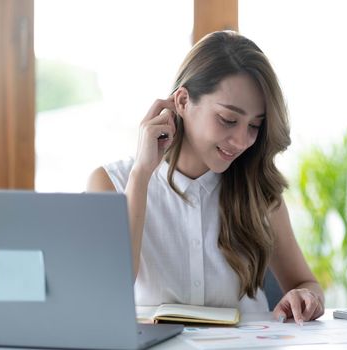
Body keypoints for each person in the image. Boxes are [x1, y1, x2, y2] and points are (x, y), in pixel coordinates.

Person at [87, 30, 324, 325]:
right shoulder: (111, 183)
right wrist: (141, 175)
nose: (241, 141)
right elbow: (107, 292)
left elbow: (306, 283)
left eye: (254, 126)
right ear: (183, 101)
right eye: (228, 120)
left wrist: (306, 298)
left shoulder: (258, 189)